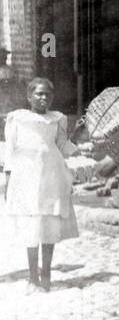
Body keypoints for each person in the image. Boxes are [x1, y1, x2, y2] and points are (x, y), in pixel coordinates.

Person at [1, 77, 79, 291]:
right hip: (26, 176)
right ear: (29, 97)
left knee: (48, 224)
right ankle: (32, 276)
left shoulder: (58, 119)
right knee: (31, 226)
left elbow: (62, 145)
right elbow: (10, 150)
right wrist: (8, 180)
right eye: (39, 94)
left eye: (47, 94)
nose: (44, 98)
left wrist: (82, 149)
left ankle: (46, 273)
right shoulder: (17, 118)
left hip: (52, 175)